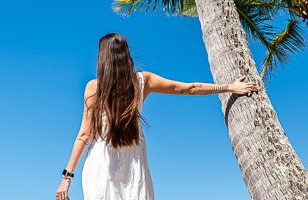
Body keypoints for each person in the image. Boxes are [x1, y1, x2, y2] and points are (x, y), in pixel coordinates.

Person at [55, 33, 258, 200]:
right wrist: (229, 87)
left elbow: (84, 135)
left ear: (102, 58)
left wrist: (67, 177)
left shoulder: (93, 87)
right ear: (126, 55)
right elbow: (188, 88)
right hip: (130, 165)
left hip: (101, 167)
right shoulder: (143, 81)